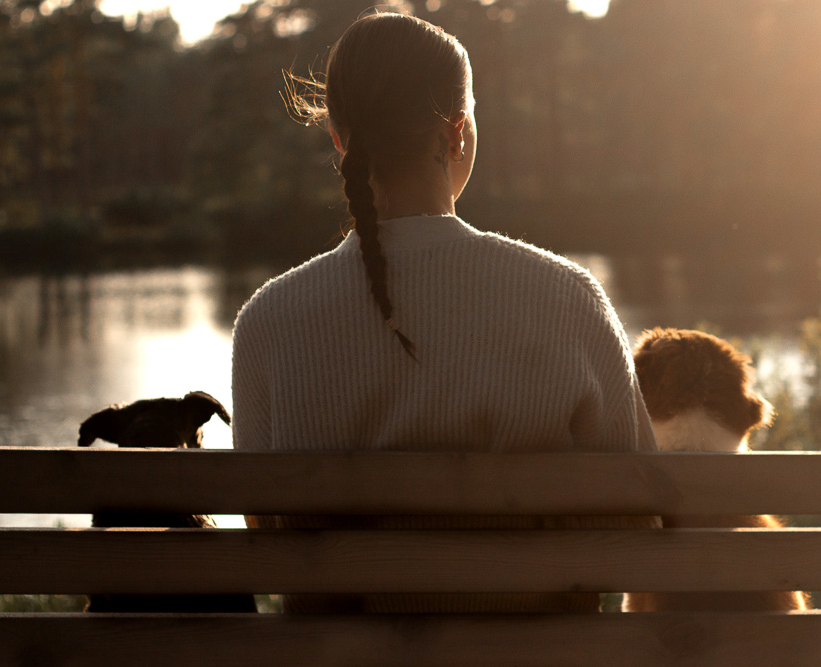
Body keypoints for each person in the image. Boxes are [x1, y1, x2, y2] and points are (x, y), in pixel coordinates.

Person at [231, 11, 657, 613]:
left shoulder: (268, 322)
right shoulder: (566, 297)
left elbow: (267, 538)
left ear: (337, 134)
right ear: (457, 131)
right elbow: (637, 518)